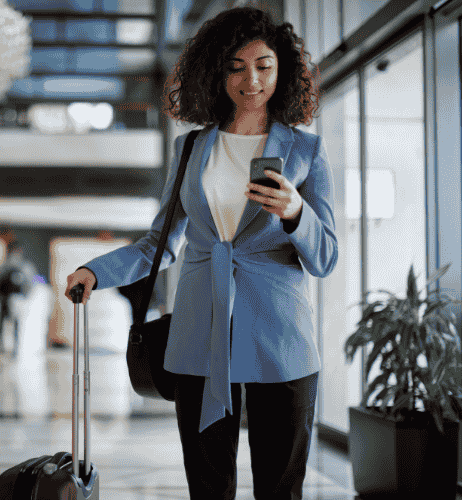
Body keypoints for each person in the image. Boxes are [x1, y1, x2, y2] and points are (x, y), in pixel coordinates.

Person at [64, 7, 337, 500]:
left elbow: (325, 258)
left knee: (281, 489)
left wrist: (297, 211)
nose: (250, 79)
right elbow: (160, 244)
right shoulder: (192, 148)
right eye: (236, 66)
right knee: (208, 488)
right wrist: (96, 271)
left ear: (283, 70)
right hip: (198, 335)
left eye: (263, 65)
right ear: (217, 71)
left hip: (281, 338)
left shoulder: (306, 152)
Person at [0, 240, 37, 357]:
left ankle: (15, 348)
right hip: (5, 300)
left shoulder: (25, 267)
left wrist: (24, 297)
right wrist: (1, 297)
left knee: (16, 324)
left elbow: (30, 284)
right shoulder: (4, 267)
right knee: (2, 324)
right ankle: (1, 347)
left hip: (17, 300)